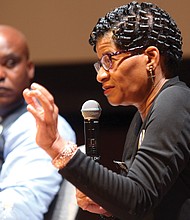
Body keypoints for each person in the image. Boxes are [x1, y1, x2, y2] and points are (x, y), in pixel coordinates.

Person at [23, 1, 190, 220]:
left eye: (109, 60)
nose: (100, 75)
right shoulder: (141, 118)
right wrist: (107, 204)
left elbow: (136, 199)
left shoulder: (175, 100)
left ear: (150, 58)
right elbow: (138, 201)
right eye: (100, 64)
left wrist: (58, 147)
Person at [0, 25, 77, 220]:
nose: (0, 74)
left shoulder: (41, 125)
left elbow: (17, 211)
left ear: (29, 68)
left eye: (10, 63)